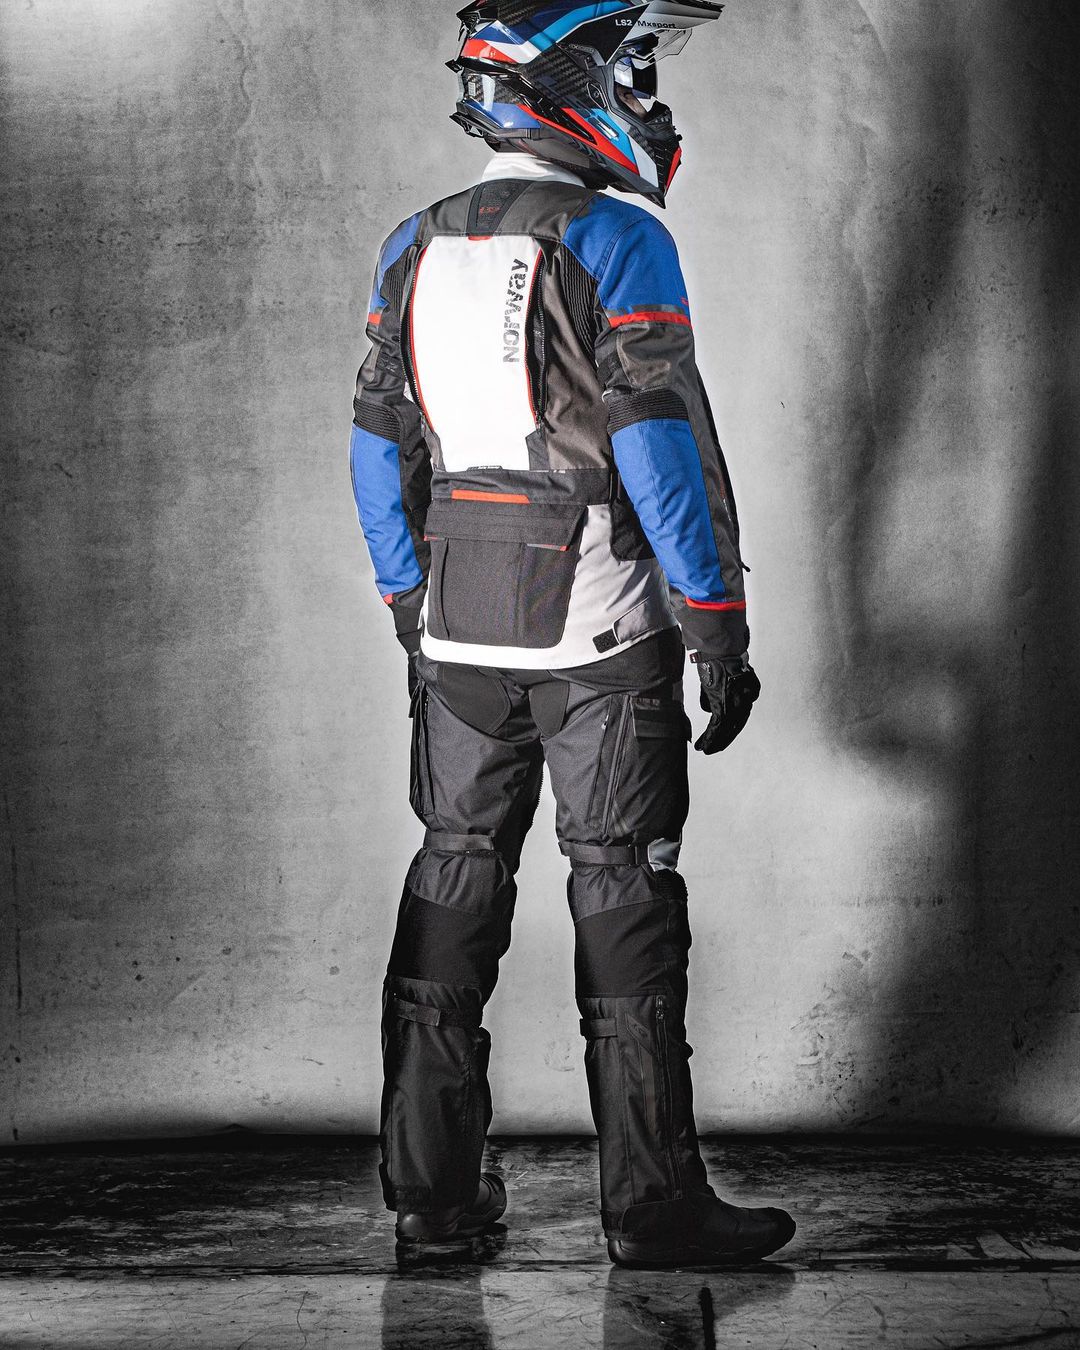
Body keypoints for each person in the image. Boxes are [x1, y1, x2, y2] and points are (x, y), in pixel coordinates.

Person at [348, 0, 795, 1269]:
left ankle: (430, 1195)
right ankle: (652, 1210)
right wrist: (716, 624)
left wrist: (408, 601)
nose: (650, 99)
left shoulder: (413, 242)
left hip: (456, 633)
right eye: (635, 70)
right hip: (599, 636)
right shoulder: (618, 238)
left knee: (452, 870)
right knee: (623, 890)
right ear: (575, 83)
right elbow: (656, 443)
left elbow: (376, 445)